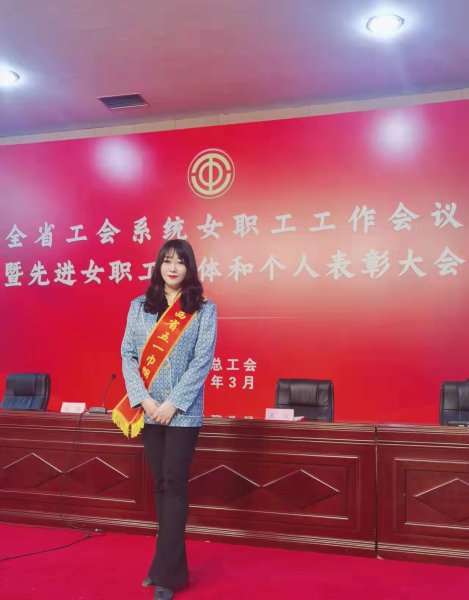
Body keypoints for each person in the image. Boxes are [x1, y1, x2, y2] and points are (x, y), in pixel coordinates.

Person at [121, 239, 217, 600]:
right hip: (148, 410)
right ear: (159, 265)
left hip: (183, 413)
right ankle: (167, 566)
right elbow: (128, 355)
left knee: (174, 484)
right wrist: (144, 399)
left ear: (190, 267)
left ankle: (165, 574)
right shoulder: (139, 306)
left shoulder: (203, 309)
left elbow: (202, 361)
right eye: (167, 261)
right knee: (160, 485)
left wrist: (173, 403)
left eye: (180, 262)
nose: (173, 268)